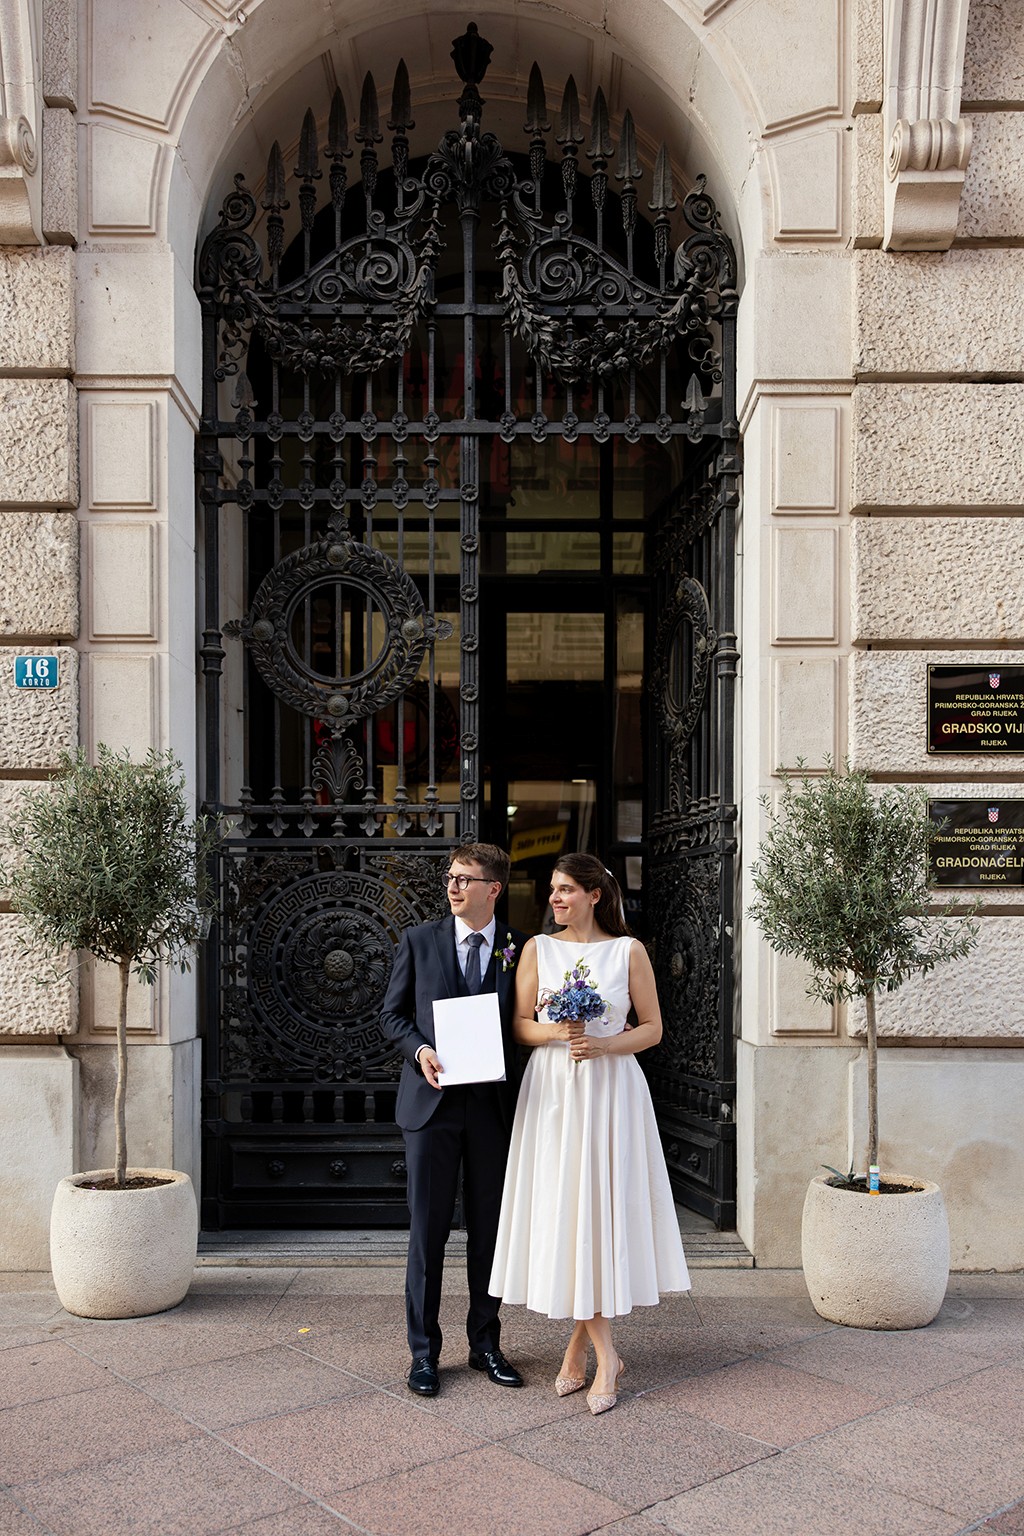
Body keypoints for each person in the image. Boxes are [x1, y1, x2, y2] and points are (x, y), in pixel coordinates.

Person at [488, 852, 690, 1415]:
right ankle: (604, 1351)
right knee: (567, 1208)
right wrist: (561, 1031)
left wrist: (603, 1044)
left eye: (566, 889)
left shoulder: (629, 952)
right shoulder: (536, 949)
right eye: (552, 889)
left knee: (596, 1210)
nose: (555, 898)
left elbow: (651, 1030)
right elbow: (520, 1026)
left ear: (595, 895)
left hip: (610, 1091)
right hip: (554, 1091)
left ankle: (585, 1349)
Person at [380, 842, 528, 1398]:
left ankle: (486, 1344)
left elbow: (525, 1021)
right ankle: (424, 1353)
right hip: (431, 1106)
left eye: (466, 879)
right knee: (429, 1233)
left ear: (494, 889)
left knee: (490, 1231)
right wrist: (420, 1051)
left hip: (490, 1109)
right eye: (451, 877)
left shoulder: (517, 947)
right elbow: (392, 1016)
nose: (453, 886)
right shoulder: (420, 941)